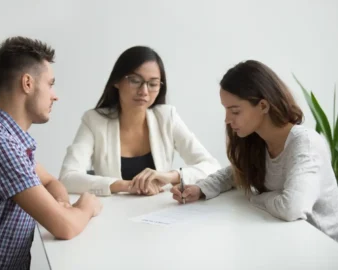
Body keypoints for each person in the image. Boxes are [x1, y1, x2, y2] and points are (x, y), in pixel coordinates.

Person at [0, 36, 102, 269]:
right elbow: (65, 227)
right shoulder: (1, 145)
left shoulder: (2, 135)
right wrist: (86, 206)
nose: (55, 95)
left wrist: (62, 203)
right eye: (50, 84)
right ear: (27, 84)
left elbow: (50, 181)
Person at [171, 60, 338, 242]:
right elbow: (234, 173)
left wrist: (258, 198)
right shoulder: (258, 141)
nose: (227, 119)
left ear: (263, 106)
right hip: (285, 237)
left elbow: (292, 208)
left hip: (322, 245)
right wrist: (201, 189)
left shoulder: (305, 144)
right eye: (226, 110)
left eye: (235, 111)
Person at [59, 46, 221, 196]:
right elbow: (67, 178)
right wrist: (128, 185)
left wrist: (169, 176)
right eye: (135, 81)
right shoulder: (94, 121)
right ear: (117, 81)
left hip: (157, 214)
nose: (144, 91)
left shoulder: (166, 117)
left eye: (153, 84)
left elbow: (212, 166)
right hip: (111, 215)